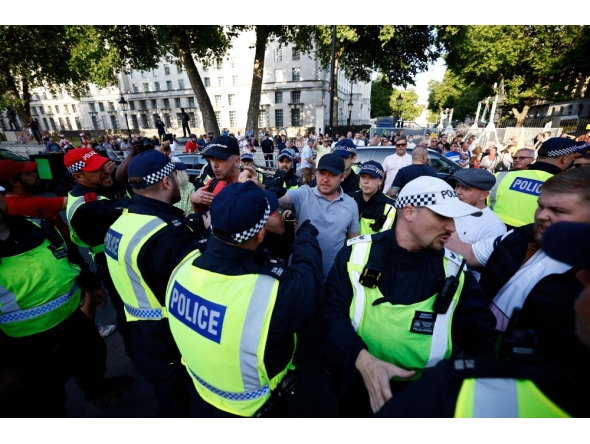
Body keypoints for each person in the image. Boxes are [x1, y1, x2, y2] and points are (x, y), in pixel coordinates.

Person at [321, 175, 498, 416]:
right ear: (410, 212)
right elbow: (332, 315)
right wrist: (362, 360)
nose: (452, 227)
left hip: (428, 398)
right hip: (358, 387)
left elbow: (481, 337)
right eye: (443, 216)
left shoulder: (455, 270)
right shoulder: (355, 254)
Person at [165, 181, 324, 417]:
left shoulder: (183, 267)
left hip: (200, 396)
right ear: (261, 233)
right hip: (255, 409)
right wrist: (306, 239)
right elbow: (310, 282)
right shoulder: (269, 292)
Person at [0, 185, 130, 417]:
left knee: (92, 357)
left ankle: (94, 389)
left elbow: (68, 255)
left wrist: (91, 284)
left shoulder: (34, 225)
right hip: (22, 342)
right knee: (44, 396)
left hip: (71, 319)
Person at [105, 150, 208, 417]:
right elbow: (198, 283)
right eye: (175, 175)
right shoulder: (167, 235)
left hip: (139, 330)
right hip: (168, 337)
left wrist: (190, 224)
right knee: (180, 403)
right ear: (166, 182)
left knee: (167, 397)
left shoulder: (123, 221)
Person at [64, 148, 133, 347]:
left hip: (123, 261)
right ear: (78, 176)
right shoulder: (86, 207)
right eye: (96, 169)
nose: (105, 170)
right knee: (131, 314)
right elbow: (134, 204)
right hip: (114, 267)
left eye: (104, 164)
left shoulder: (103, 187)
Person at [278, 153, 359, 279]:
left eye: (332, 175)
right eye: (322, 173)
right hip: (300, 277)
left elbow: (354, 244)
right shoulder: (304, 193)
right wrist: (265, 190)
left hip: (333, 279)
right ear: (316, 174)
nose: (325, 179)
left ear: (342, 176)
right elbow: (281, 199)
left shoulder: (351, 204)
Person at [489, 137, 578, 228]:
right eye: (573, 158)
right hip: (534, 238)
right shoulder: (569, 186)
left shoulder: (501, 176)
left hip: (493, 232)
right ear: (565, 158)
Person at [445, 169, 507, 280]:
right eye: (457, 186)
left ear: (483, 195)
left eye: (465, 188)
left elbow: (483, 265)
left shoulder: (493, 226)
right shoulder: (450, 210)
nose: (457, 192)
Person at [352, 161, 396, 235]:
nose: (365, 181)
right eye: (363, 177)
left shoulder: (391, 206)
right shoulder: (349, 199)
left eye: (371, 177)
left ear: (380, 181)